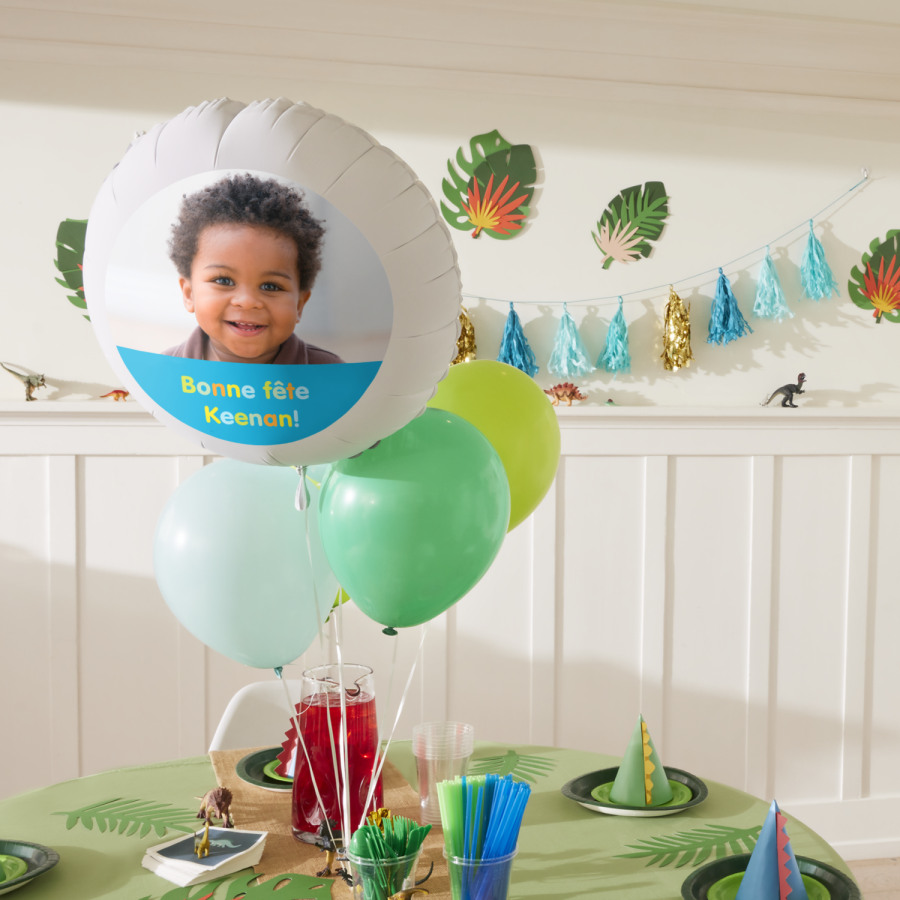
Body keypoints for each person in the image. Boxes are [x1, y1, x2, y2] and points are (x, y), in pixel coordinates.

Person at [164, 173, 343, 364]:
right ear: (189, 294)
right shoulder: (162, 370)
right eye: (224, 281)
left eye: (271, 286)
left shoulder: (330, 373)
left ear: (300, 304)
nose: (248, 302)